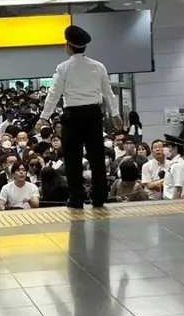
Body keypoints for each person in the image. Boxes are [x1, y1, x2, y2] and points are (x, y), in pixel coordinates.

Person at [36, 25, 122, 209]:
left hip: (73, 116)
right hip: (93, 115)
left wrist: (44, 118)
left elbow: (54, 94)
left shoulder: (63, 68)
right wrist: (115, 114)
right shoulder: (98, 67)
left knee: (73, 158)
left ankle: (77, 198)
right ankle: (99, 197)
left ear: (68, 45)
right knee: (96, 156)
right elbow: (109, 92)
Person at [163, 134, 184, 200]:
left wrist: (173, 206)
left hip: (172, 202)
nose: (164, 149)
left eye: (167, 146)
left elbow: (178, 190)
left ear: (175, 149)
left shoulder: (178, 165)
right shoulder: (173, 163)